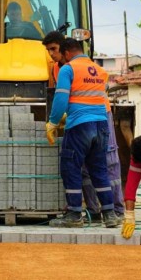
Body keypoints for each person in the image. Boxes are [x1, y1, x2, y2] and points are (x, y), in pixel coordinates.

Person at [42, 31, 125, 224]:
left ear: (67, 53)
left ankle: (73, 214)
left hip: (80, 125)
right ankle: (110, 215)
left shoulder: (68, 69)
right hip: (101, 124)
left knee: (70, 166)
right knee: (99, 170)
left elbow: (61, 98)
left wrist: (53, 123)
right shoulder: (98, 70)